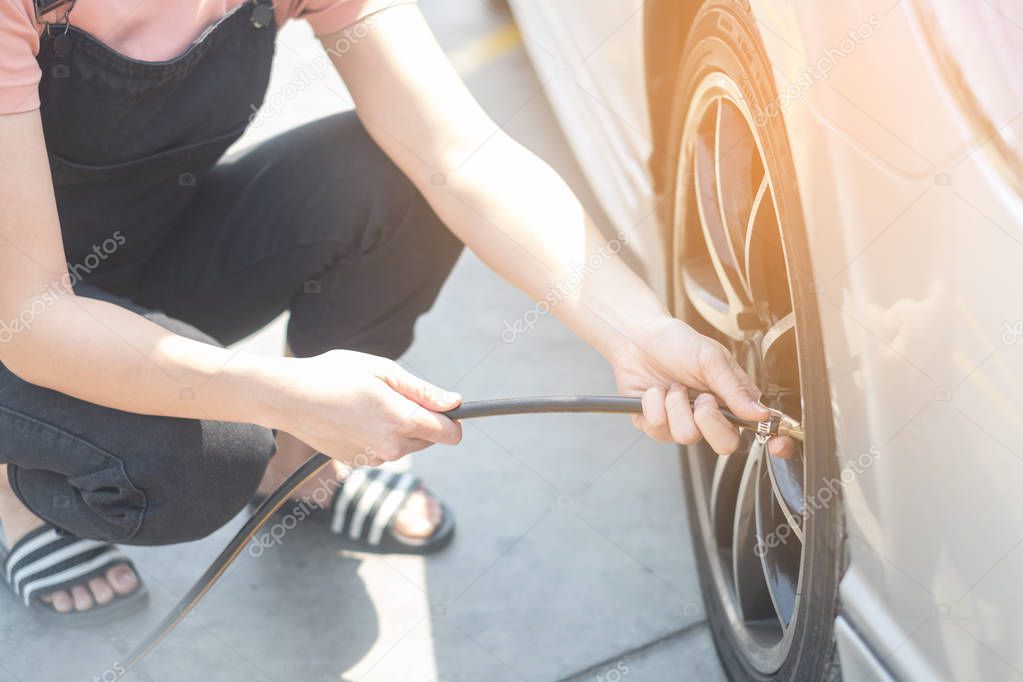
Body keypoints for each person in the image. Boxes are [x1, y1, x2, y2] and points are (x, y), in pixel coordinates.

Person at [0, 0, 794, 623]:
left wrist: (638, 331)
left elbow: (458, 157)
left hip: (125, 255)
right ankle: (12, 492)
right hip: (19, 318)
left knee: (402, 183)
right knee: (192, 463)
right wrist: (267, 391)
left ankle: (299, 462)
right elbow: (32, 314)